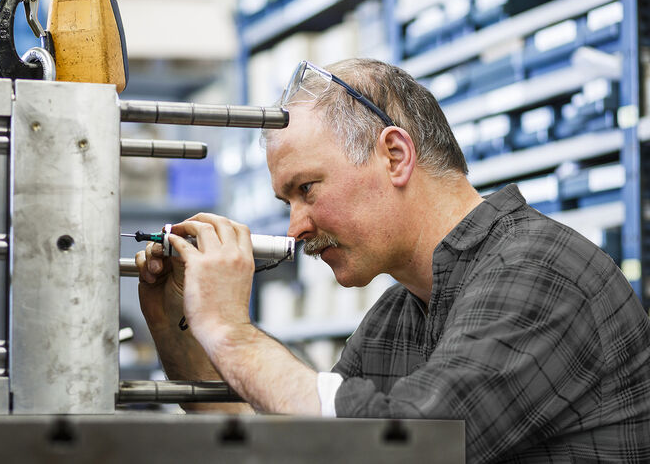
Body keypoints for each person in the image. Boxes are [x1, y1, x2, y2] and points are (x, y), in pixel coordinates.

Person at [135, 58, 650, 462]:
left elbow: (405, 447)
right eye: (286, 202)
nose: (295, 227)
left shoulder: (541, 272)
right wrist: (178, 324)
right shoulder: (397, 318)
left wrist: (231, 330)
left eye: (307, 188)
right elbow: (294, 438)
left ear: (396, 156)